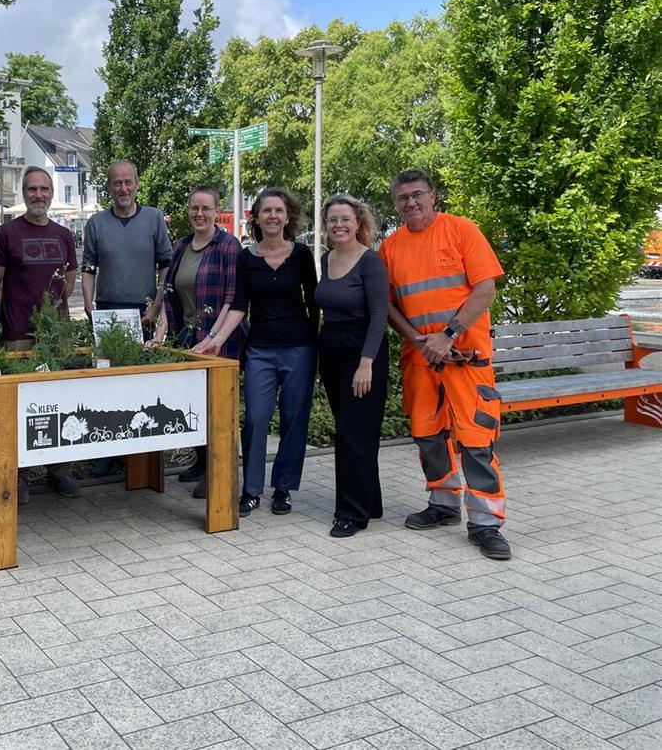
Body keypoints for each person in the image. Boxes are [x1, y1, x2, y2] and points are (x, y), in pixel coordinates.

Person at [380, 169, 510, 560]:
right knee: (427, 434)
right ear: (395, 204)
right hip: (421, 359)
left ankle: (486, 524)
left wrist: (447, 335)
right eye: (403, 198)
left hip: (465, 358)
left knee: (475, 439)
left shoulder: (461, 230)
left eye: (418, 194)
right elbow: (387, 305)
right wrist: (419, 340)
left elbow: (485, 289)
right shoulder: (391, 247)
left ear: (433, 196)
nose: (411, 203)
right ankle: (443, 504)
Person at [197, 188, 318, 516]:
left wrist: (317, 345)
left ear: (287, 216)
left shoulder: (303, 255)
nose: (273, 216)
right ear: (256, 218)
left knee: (294, 421)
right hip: (261, 351)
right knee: (255, 419)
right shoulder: (246, 257)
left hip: (299, 350)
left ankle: (283, 488)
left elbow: (314, 303)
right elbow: (238, 305)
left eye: (279, 210)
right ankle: (251, 490)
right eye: (267, 211)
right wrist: (217, 338)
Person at [0, 165, 79, 503]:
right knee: (20, 406)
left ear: (51, 194)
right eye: (32, 189)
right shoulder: (6, 234)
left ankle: (60, 471)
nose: (38, 195)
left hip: (56, 335)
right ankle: (20, 473)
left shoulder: (63, 235)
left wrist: (53, 308)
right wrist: (7, 316)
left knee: (60, 403)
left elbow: (69, 279)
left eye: (44, 189)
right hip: (18, 333)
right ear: (24, 193)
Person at [155, 185, 245, 499]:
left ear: (215, 211)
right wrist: (160, 336)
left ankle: (218, 471)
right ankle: (201, 460)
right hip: (186, 338)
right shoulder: (181, 246)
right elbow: (170, 295)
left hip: (220, 340)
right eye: (195, 208)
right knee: (192, 404)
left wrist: (211, 337)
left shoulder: (228, 246)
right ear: (188, 210)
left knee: (217, 407)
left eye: (206, 208)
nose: (200, 214)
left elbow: (233, 299)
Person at [314, 194, 389, 538]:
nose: (339, 225)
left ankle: (350, 513)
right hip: (332, 349)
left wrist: (366, 363)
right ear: (326, 225)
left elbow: (379, 315)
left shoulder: (369, 261)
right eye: (332, 220)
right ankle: (369, 501)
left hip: (363, 350)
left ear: (358, 223)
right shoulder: (328, 258)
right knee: (352, 430)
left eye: (345, 219)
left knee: (352, 434)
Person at [81, 160, 173, 332]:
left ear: (137, 185)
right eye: (117, 183)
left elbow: (166, 265)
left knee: (142, 358)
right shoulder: (96, 223)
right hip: (106, 310)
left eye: (128, 182)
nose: (123, 188)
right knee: (106, 359)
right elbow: (88, 268)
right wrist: (87, 303)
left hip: (144, 311)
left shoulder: (154, 219)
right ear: (109, 187)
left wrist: (157, 305)